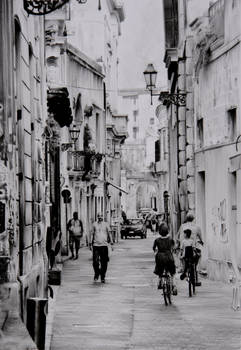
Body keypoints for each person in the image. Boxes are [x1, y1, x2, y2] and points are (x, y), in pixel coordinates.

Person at [177, 213, 203, 284]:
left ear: (186, 219)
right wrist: (201, 241)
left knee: (183, 258)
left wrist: (180, 243)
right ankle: (196, 272)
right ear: (193, 219)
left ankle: (184, 269)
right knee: (198, 257)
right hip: (194, 247)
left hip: (184, 247)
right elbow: (200, 237)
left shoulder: (182, 226)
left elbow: (178, 237)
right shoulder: (197, 227)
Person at [153, 223, 177, 294]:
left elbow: (154, 248)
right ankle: (174, 286)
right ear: (167, 231)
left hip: (160, 257)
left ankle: (160, 282)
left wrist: (156, 252)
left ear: (160, 231)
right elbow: (174, 248)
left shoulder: (157, 240)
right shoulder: (170, 239)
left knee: (160, 269)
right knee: (172, 272)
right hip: (169, 256)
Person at [90, 213, 113, 283]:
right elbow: (92, 234)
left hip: (104, 245)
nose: (100, 217)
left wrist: (111, 241)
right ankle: (97, 273)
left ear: (103, 217)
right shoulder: (94, 224)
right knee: (95, 262)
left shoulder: (106, 224)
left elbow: (109, 233)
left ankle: (102, 276)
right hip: (96, 245)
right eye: (99, 216)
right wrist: (90, 243)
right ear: (97, 217)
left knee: (104, 262)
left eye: (101, 216)